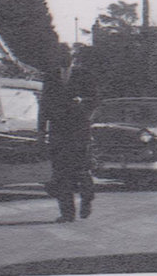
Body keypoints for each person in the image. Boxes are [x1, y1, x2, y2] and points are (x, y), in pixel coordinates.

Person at [39, 52, 98, 222]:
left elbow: (95, 100)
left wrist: (83, 102)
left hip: (79, 131)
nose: (64, 60)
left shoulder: (84, 75)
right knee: (60, 174)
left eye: (66, 56)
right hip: (58, 131)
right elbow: (44, 106)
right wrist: (41, 132)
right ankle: (67, 213)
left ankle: (87, 199)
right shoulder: (50, 77)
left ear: (72, 58)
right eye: (60, 56)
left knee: (81, 171)